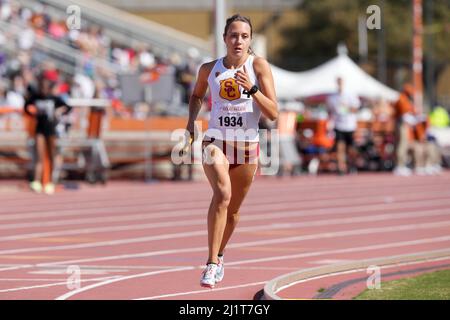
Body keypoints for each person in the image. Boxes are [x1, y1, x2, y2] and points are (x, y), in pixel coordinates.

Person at [184, 14, 278, 288]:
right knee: (222, 194)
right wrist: (191, 122)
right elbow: (197, 95)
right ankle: (211, 263)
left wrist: (253, 89)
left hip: (247, 147)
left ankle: (220, 254)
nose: (238, 41)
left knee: (233, 210)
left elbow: (273, 113)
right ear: (224, 38)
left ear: (250, 40)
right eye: (233, 35)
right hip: (216, 141)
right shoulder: (208, 69)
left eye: (244, 36)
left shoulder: (258, 66)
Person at [24, 76, 71, 194]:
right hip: (39, 129)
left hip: (51, 129)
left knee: (51, 155)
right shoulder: (36, 97)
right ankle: (37, 181)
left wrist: (58, 112)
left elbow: (68, 107)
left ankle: (50, 181)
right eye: (42, 86)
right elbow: (26, 107)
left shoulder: (54, 98)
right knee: (39, 155)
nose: (44, 89)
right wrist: (31, 112)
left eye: (46, 86)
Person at [326, 77, 361, 175]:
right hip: (338, 125)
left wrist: (346, 109)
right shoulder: (332, 97)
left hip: (350, 125)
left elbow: (356, 108)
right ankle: (341, 167)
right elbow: (329, 110)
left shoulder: (350, 94)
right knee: (339, 147)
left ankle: (352, 165)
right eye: (338, 82)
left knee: (351, 149)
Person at [392, 84, 416, 176]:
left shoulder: (403, 99)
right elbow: (404, 115)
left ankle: (401, 165)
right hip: (401, 124)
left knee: (403, 144)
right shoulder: (402, 99)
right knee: (402, 144)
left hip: (402, 124)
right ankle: (400, 165)